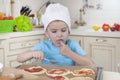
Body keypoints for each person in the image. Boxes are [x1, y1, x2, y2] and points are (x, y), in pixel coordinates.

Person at [17, 3, 94, 66]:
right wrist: (32, 53)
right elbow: (19, 58)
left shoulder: (72, 45)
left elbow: (90, 64)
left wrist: (70, 53)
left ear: (69, 32)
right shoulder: (44, 46)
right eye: (54, 31)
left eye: (63, 30)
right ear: (47, 34)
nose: (59, 35)